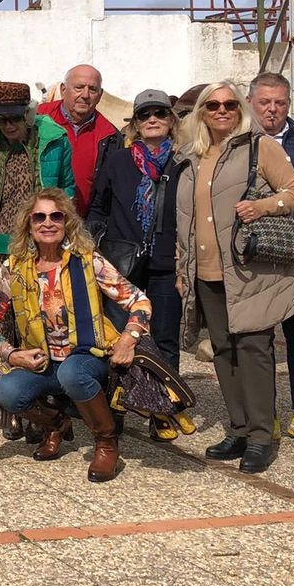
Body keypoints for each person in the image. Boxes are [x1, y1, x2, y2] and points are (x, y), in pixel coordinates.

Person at [174, 81, 294, 473]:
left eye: (230, 104)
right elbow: (186, 220)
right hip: (206, 272)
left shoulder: (260, 146)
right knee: (223, 349)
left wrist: (263, 206)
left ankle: (263, 436)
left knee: (254, 351)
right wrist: (183, 267)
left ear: (240, 108)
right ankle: (239, 429)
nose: (221, 110)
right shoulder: (192, 155)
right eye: (213, 105)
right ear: (201, 112)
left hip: (248, 270)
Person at [0, 188, 149, 478]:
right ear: (28, 226)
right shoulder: (15, 268)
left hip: (87, 356)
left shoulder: (87, 261)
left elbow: (139, 301)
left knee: (72, 372)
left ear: (67, 222)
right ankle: (55, 424)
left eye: (56, 216)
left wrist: (128, 337)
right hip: (42, 361)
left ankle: (106, 443)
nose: (48, 223)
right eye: (39, 217)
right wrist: (12, 354)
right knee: (7, 391)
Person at [85, 89, 185, 433]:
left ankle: (164, 410)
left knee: (165, 337)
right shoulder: (118, 161)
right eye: (145, 115)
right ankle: (118, 409)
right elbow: (98, 206)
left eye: (160, 113)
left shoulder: (184, 163)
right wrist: (93, 248)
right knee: (118, 336)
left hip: (167, 262)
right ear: (135, 124)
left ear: (171, 120)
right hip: (122, 263)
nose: (152, 120)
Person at [0, 81, 73, 381]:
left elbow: (68, 189)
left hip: (37, 245)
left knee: (38, 316)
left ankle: (38, 387)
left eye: (14, 118)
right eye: (1, 119)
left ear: (27, 114)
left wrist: (62, 229)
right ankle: (2, 389)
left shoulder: (53, 141)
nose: (8, 125)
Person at [248, 70, 294, 441]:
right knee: (258, 339)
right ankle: (264, 413)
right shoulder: (239, 142)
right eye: (265, 102)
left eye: (280, 103)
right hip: (254, 255)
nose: (272, 109)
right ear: (251, 103)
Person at [36, 64, 118, 216]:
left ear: (100, 95)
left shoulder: (110, 135)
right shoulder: (38, 120)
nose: (85, 95)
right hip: (38, 221)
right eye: (79, 87)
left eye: (92, 89)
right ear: (63, 90)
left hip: (83, 224)